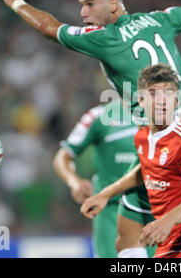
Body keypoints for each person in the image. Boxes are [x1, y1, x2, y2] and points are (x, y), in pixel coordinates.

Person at [0, 0, 181, 257]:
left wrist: (15, 1)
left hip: (171, 136)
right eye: (82, 5)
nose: (83, 13)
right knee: (128, 235)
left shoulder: (105, 38)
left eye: (89, 4)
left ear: (113, 4)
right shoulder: (159, 19)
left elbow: (49, 28)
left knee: (160, 227)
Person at [81, 64, 181, 258]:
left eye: (168, 93)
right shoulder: (143, 137)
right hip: (163, 238)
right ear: (141, 101)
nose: (161, 101)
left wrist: (166, 222)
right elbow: (145, 170)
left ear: (177, 101)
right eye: (153, 94)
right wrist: (105, 194)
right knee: (123, 244)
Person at [53, 100, 154, 258]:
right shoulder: (99, 116)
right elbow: (63, 156)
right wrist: (75, 182)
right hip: (110, 211)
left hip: (152, 211)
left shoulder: (165, 113)